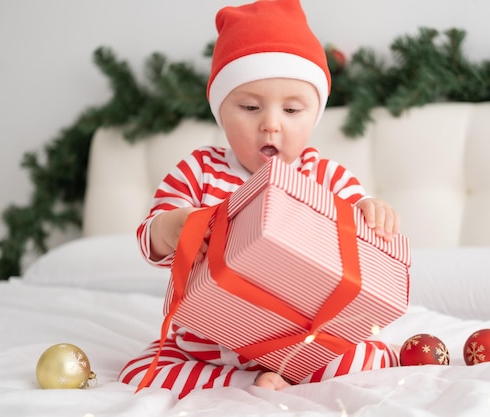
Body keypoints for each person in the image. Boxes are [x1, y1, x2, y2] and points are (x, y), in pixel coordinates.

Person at [118, 0, 401, 398]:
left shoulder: (326, 176)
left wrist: (373, 211)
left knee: (371, 358)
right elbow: (151, 239)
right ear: (221, 111)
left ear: (314, 115)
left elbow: (360, 235)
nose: (270, 123)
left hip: (300, 338)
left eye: (291, 109)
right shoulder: (199, 170)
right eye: (250, 107)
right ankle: (245, 383)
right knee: (138, 372)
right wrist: (172, 227)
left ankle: (288, 373)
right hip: (209, 345)